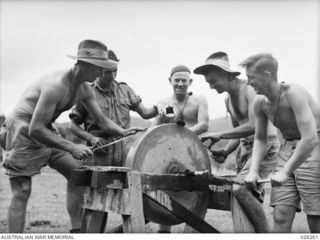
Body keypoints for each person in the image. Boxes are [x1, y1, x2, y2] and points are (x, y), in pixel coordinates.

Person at [0, 39, 143, 233]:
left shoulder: (85, 88)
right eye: (100, 68)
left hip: (46, 128)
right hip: (23, 130)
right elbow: (35, 129)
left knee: (78, 175)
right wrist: (73, 147)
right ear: (84, 65)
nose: (103, 73)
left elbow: (101, 121)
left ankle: (78, 232)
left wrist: (122, 131)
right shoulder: (55, 85)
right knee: (22, 190)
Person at [67, 50, 159, 231]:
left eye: (115, 70)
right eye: (108, 71)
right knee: (98, 202)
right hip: (98, 154)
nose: (112, 74)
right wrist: (91, 138)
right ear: (99, 69)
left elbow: (146, 112)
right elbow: (72, 126)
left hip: (124, 154)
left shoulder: (124, 89)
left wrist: (161, 107)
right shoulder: (87, 91)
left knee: (130, 201)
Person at [194, 52, 279, 233]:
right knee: (242, 194)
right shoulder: (227, 99)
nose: (211, 86)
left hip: (265, 144)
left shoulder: (248, 90)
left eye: (213, 81)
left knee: (240, 189)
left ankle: (266, 234)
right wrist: (225, 151)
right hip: (245, 147)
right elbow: (240, 133)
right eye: (208, 83)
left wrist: (221, 135)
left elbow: (255, 126)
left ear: (227, 75)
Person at [241, 53, 320, 233]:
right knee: (280, 214)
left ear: (267, 75)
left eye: (251, 78)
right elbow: (260, 139)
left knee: (316, 217)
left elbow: (310, 138)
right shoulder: (260, 103)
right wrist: (253, 171)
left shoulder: (294, 93)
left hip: (314, 149)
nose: (248, 83)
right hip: (287, 149)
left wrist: (285, 171)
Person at [154, 65, 209, 233]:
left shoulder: (199, 100)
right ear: (170, 81)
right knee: (168, 191)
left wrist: (182, 137)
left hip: (194, 155)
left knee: (198, 193)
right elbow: (154, 130)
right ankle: (164, 231)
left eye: (184, 80)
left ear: (190, 82)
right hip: (170, 156)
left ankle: (190, 232)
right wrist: (162, 121)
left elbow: (204, 124)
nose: (180, 84)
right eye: (176, 80)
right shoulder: (163, 103)